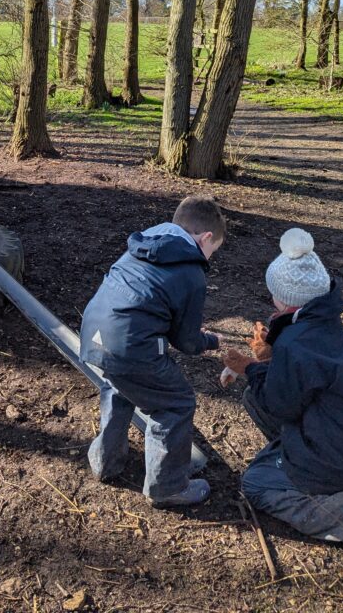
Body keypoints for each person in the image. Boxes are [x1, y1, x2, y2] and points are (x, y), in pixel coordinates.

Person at [222, 227, 343, 552]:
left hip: (336, 459)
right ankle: (315, 473)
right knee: (254, 398)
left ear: (283, 299)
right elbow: (298, 382)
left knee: (254, 483)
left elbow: (281, 406)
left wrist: (250, 367)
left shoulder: (298, 343)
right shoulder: (322, 324)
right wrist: (269, 356)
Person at [79, 195, 226, 508]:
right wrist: (210, 341)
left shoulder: (143, 244)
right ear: (206, 238)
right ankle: (167, 487)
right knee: (175, 404)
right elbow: (185, 342)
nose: (210, 259)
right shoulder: (191, 272)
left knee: (119, 386)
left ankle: (105, 461)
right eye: (213, 251)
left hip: (94, 332)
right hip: (129, 344)